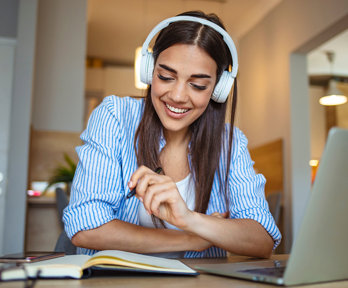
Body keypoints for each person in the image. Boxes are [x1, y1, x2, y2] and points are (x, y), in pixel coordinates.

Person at [63, 10, 281, 258]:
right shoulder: (115, 116)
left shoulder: (229, 142)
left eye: (197, 85)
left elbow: (262, 238)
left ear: (219, 89)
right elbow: (85, 226)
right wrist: (188, 239)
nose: (177, 96)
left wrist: (189, 219)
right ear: (149, 70)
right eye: (166, 77)